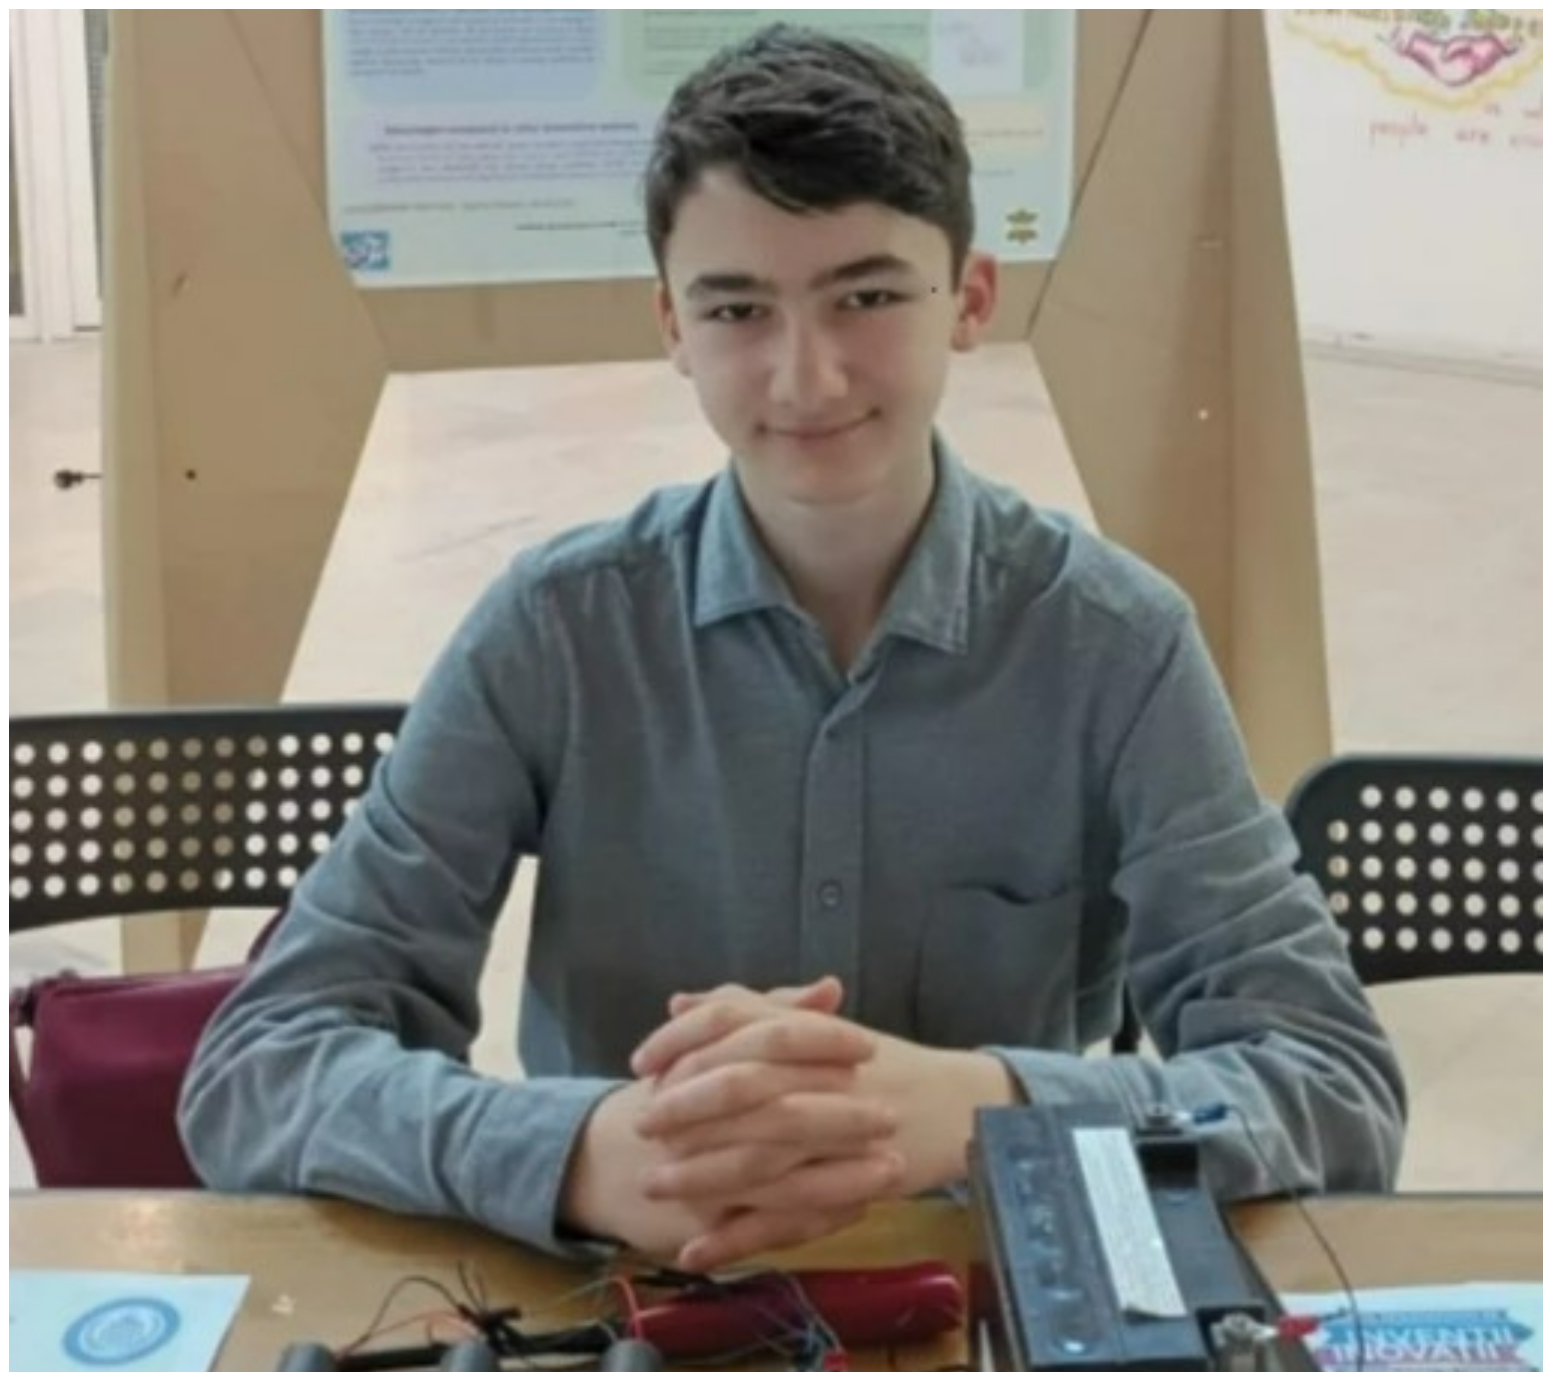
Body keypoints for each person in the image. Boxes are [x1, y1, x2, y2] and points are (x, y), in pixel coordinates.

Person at [179, 24, 1405, 1272]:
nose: (805, 377)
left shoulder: (1115, 645)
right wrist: (579, 1152)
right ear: (672, 322)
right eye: (737, 308)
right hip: (627, 1295)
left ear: (970, 298)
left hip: (987, 1286)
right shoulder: (557, 630)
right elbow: (258, 1067)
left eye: (866, 297)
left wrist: (981, 1105)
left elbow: (1331, 1084)